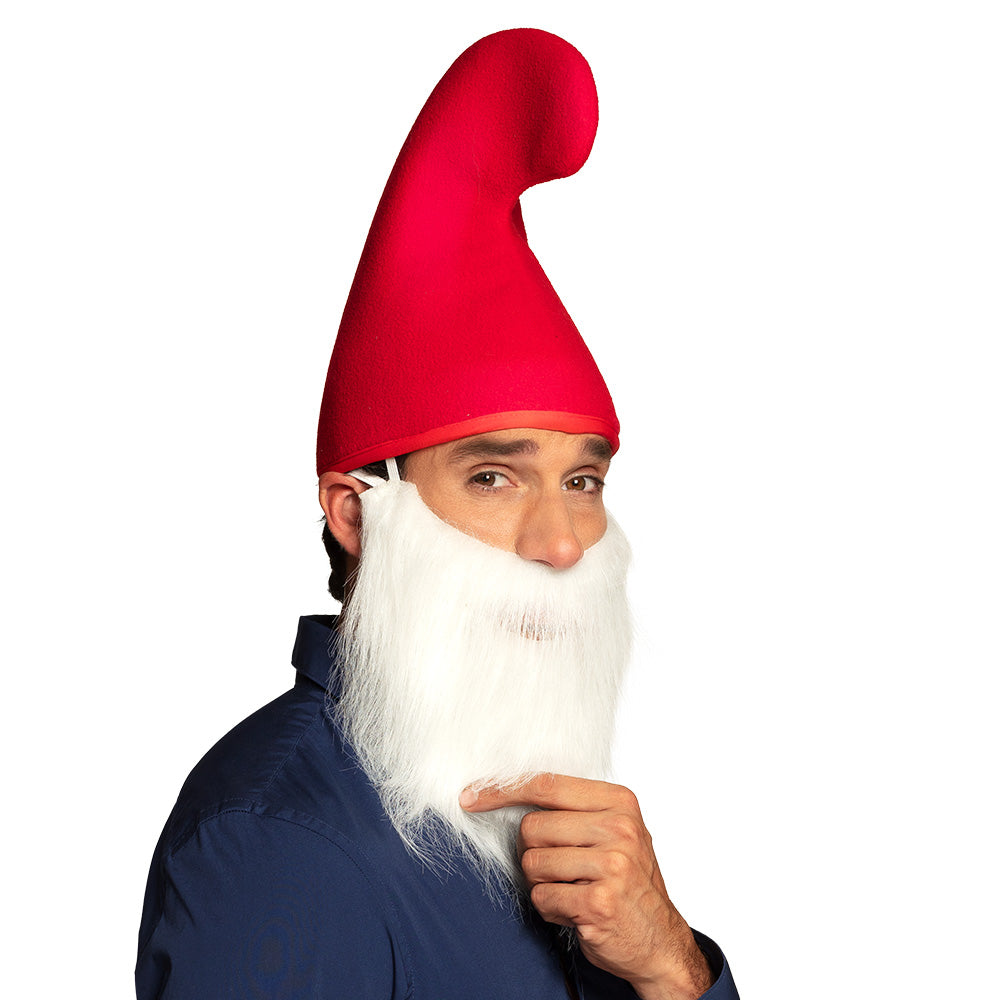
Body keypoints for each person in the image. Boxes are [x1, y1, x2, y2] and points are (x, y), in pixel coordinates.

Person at [136, 29, 740, 1000]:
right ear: (355, 513)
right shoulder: (278, 849)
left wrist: (669, 964)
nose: (561, 544)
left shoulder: (529, 809)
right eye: (493, 478)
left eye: (582, 482)